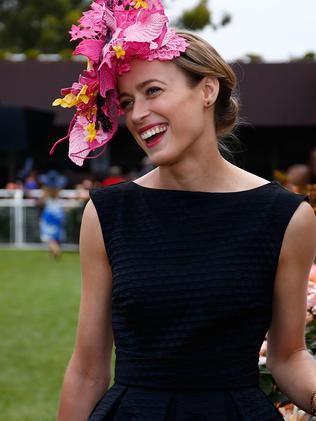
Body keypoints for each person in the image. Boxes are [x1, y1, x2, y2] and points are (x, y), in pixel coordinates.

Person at [52, 1, 316, 420]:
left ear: (207, 90)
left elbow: (288, 356)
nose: (138, 114)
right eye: (126, 100)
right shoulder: (107, 213)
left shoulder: (286, 217)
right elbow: (87, 370)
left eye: (153, 91)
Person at [38, 170, 67, 258]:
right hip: (58, 213)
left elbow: (41, 201)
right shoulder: (58, 189)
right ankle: (55, 250)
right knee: (55, 236)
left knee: (49, 237)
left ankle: (56, 251)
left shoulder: (46, 190)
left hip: (49, 214)